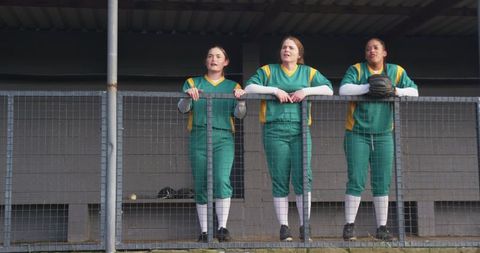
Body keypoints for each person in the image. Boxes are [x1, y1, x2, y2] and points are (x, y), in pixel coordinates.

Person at [245, 36, 333, 242]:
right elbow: (250, 87)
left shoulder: (308, 72)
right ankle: (284, 227)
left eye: (291, 48)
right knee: (279, 178)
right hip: (274, 130)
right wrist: (275, 90)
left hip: (300, 130)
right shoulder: (269, 71)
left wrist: (306, 91)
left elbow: (328, 89)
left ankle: (305, 226)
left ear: (299, 54)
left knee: (304, 177)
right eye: (284, 47)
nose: (286, 50)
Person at [339, 38, 418, 241]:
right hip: (357, 132)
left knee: (382, 181)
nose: (371, 51)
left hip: (384, 133)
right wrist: (369, 87)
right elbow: (343, 89)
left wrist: (394, 90)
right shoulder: (356, 69)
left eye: (375, 48)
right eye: (367, 49)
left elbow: (414, 91)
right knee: (356, 179)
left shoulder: (396, 71)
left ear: (384, 53)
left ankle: (382, 228)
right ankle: (349, 226)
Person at [177, 46, 246, 242]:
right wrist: (187, 95)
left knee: (221, 179)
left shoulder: (234, 86)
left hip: (223, 137)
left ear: (226, 62)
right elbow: (182, 109)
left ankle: (222, 228)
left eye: (218, 56)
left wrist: (241, 102)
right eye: (209, 56)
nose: (213, 59)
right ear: (205, 61)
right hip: (198, 136)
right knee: (200, 182)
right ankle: (205, 231)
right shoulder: (193, 82)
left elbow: (239, 114)